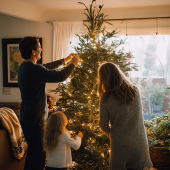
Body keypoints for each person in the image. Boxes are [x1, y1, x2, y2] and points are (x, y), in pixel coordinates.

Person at [18, 36, 80, 170]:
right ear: (33, 51)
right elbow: (60, 76)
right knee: (38, 157)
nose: (41, 48)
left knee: (33, 154)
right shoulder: (33, 69)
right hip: (35, 121)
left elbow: (45, 67)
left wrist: (65, 60)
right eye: (39, 46)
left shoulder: (25, 67)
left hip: (28, 117)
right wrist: (73, 64)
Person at [97, 62, 153, 170]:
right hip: (139, 140)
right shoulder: (135, 90)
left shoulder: (105, 98)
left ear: (103, 78)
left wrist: (111, 133)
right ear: (118, 73)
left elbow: (103, 125)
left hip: (120, 143)